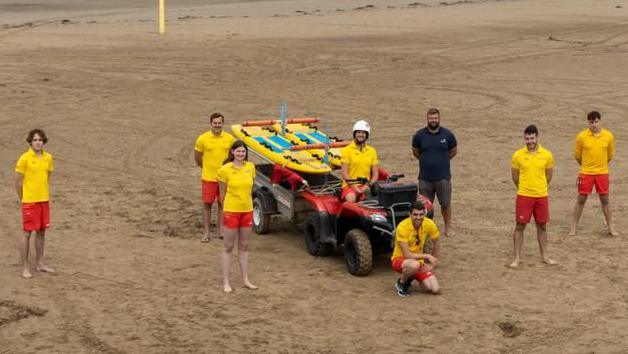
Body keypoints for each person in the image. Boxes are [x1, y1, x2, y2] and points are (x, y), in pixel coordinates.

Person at [509, 125, 557, 268]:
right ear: (524, 138)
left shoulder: (547, 155)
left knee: (542, 226)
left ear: (537, 137)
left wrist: (540, 187)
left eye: (532, 138)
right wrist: (524, 188)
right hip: (524, 195)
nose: (530, 141)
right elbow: (515, 177)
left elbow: (548, 176)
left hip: (541, 195)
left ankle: (545, 256)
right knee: (520, 226)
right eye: (527, 138)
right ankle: (517, 258)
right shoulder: (517, 155)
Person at [568, 111, 618, 237]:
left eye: (596, 122)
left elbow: (610, 156)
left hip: (602, 173)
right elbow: (577, 156)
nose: (594, 125)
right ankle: (573, 226)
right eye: (591, 122)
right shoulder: (581, 137)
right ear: (588, 123)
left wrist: (601, 166)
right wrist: (586, 166)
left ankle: (611, 226)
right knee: (581, 199)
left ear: (600, 121)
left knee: (605, 200)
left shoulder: (608, 136)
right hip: (586, 173)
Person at [217, 140, 258, 293]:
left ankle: (245, 279)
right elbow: (222, 193)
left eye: (243, 151)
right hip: (231, 211)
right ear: (232, 152)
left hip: (247, 210)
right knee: (228, 246)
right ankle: (226, 281)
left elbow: (250, 187)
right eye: (238, 151)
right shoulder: (225, 170)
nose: (241, 154)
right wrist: (226, 210)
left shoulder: (250, 167)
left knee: (245, 246)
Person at [15, 129, 55, 278]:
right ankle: (25, 267)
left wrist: (42, 194)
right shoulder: (24, 158)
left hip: (43, 199)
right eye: (35, 140)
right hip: (29, 201)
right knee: (27, 233)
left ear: (43, 142)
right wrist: (23, 199)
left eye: (40, 140)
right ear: (30, 142)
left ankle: (40, 263)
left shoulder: (48, 158)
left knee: (42, 232)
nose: (38, 142)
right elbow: (17, 182)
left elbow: (47, 177)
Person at [412, 108, 457, 237]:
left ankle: (448, 227)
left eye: (435, 118)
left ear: (439, 119)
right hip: (425, 178)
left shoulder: (447, 135)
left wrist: (441, 160)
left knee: (445, 204)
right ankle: (426, 229)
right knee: (425, 206)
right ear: (427, 119)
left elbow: (453, 151)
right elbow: (416, 152)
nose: (433, 120)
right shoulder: (419, 135)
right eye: (431, 118)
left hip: (443, 178)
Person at [194, 112, 236, 243]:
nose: (217, 125)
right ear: (211, 123)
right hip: (209, 177)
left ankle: (221, 231)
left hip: (224, 179)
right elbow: (197, 157)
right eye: (215, 123)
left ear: (222, 123)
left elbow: (234, 154)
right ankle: (206, 232)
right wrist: (206, 168)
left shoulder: (230, 139)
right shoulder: (202, 139)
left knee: (222, 203)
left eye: (219, 123)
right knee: (207, 204)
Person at [391, 200, 441, 297]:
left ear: (425, 214)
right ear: (410, 214)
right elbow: (407, 255)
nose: (418, 217)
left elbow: (437, 242)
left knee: (434, 289)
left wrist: (431, 265)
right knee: (414, 265)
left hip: (418, 263)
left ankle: (411, 276)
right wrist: (427, 255)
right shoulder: (402, 227)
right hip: (400, 259)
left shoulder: (429, 224)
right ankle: (401, 283)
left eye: (421, 214)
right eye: (415, 214)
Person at [340, 120, 379, 202]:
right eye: (358, 132)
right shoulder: (347, 150)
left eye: (363, 133)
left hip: (366, 185)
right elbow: (344, 173)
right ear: (354, 134)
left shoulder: (372, 151)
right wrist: (356, 188)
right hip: (349, 185)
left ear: (367, 135)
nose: (361, 135)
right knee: (351, 198)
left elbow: (375, 173)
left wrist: (367, 186)